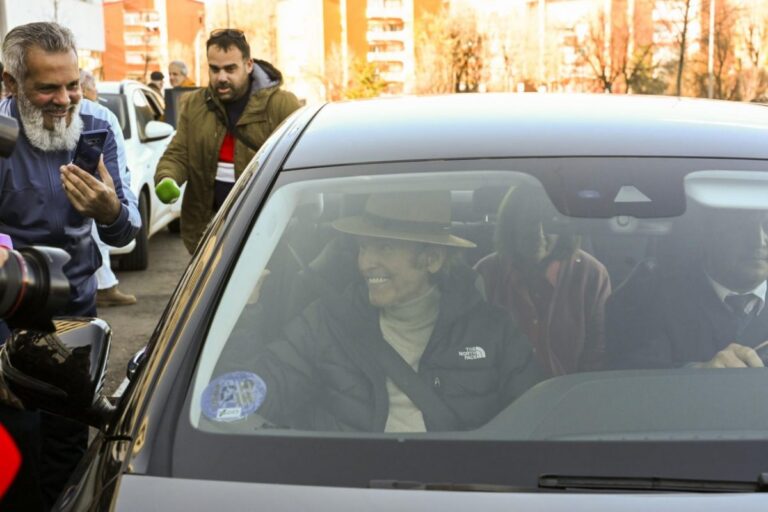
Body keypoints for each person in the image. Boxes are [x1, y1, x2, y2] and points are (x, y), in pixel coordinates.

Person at [212, 191, 542, 432]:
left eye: (385, 247)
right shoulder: (325, 323)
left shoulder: (493, 331)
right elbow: (242, 400)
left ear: (432, 259)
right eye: (363, 247)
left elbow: (533, 428)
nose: (366, 263)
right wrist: (244, 315)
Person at [0, 22, 140, 509]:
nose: (64, 100)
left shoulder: (99, 124)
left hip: (75, 320)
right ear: (11, 83)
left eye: (72, 84)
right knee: (18, 452)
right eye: (48, 88)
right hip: (7, 322)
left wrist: (110, 211)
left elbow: (126, 231)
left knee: (68, 450)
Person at [155, 29, 301, 253]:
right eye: (215, 69)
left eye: (230, 69)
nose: (221, 77)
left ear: (249, 65)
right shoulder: (194, 104)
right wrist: (167, 177)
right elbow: (179, 153)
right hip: (208, 230)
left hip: (266, 228)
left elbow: (298, 163)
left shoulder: (281, 104)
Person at [606, 206, 768, 369]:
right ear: (709, 233)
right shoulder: (650, 294)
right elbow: (629, 371)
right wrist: (698, 373)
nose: (758, 241)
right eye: (742, 227)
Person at [474, 184, 611, 376]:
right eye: (528, 222)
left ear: (564, 229)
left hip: (571, 391)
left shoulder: (592, 275)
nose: (538, 234)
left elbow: (598, 355)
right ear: (511, 225)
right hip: (502, 393)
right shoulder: (485, 274)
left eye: (549, 223)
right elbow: (473, 351)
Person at [79, 69, 137, 307]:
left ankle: (106, 287)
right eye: (94, 88)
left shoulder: (101, 118)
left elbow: (124, 219)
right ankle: (105, 287)